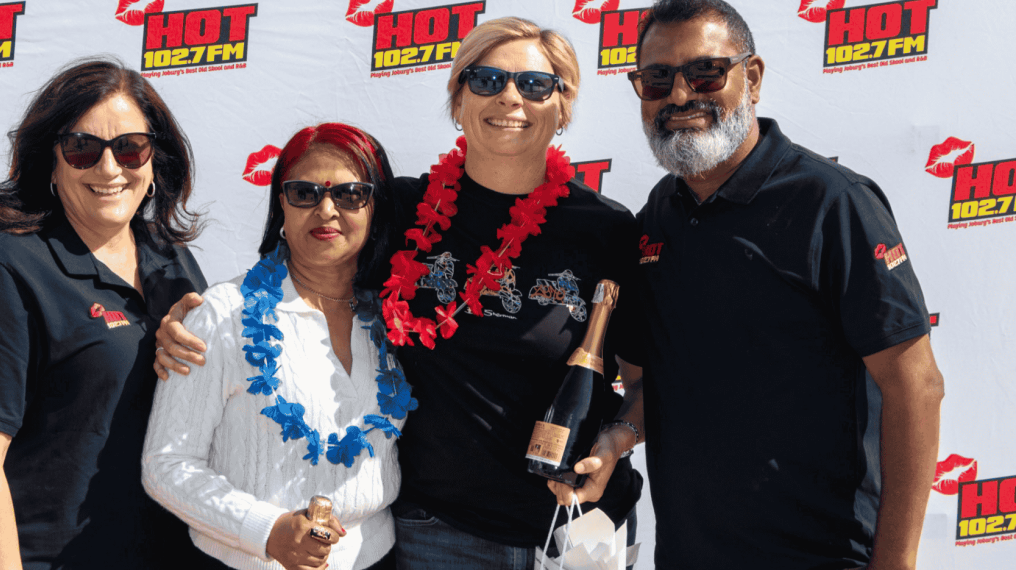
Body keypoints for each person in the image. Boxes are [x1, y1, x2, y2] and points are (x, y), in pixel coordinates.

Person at [155, 17, 647, 570]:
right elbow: (305, 274)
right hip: (443, 533)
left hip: (583, 524)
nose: (510, 97)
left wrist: (620, 438)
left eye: (534, 85)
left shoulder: (607, 229)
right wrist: (193, 318)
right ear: (458, 100)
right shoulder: (402, 210)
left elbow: (644, 380)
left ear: (564, 107)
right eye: (486, 80)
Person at [616, 1, 944, 568]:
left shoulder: (832, 202)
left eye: (705, 73)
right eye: (657, 78)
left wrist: (895, 563)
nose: (679, 95)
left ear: (753, 78)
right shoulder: (660, 214)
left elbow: (916, 387)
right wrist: (616, 434)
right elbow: (646, 382)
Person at [0, 59, 227, 569]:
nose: (109, 169)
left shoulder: (170, 258)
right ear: (52, 162)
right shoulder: (7, 269)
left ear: (154, 160)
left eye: (130, 147)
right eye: (83, 149)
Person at [142, 123, 409, 570]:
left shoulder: (396, 315)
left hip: (378, 558)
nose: (327, 209)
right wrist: (265, 530)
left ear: (375, 207)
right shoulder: (224, 313)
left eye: (350, 195)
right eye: (305, 193)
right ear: (281, 204)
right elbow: (167, 464)